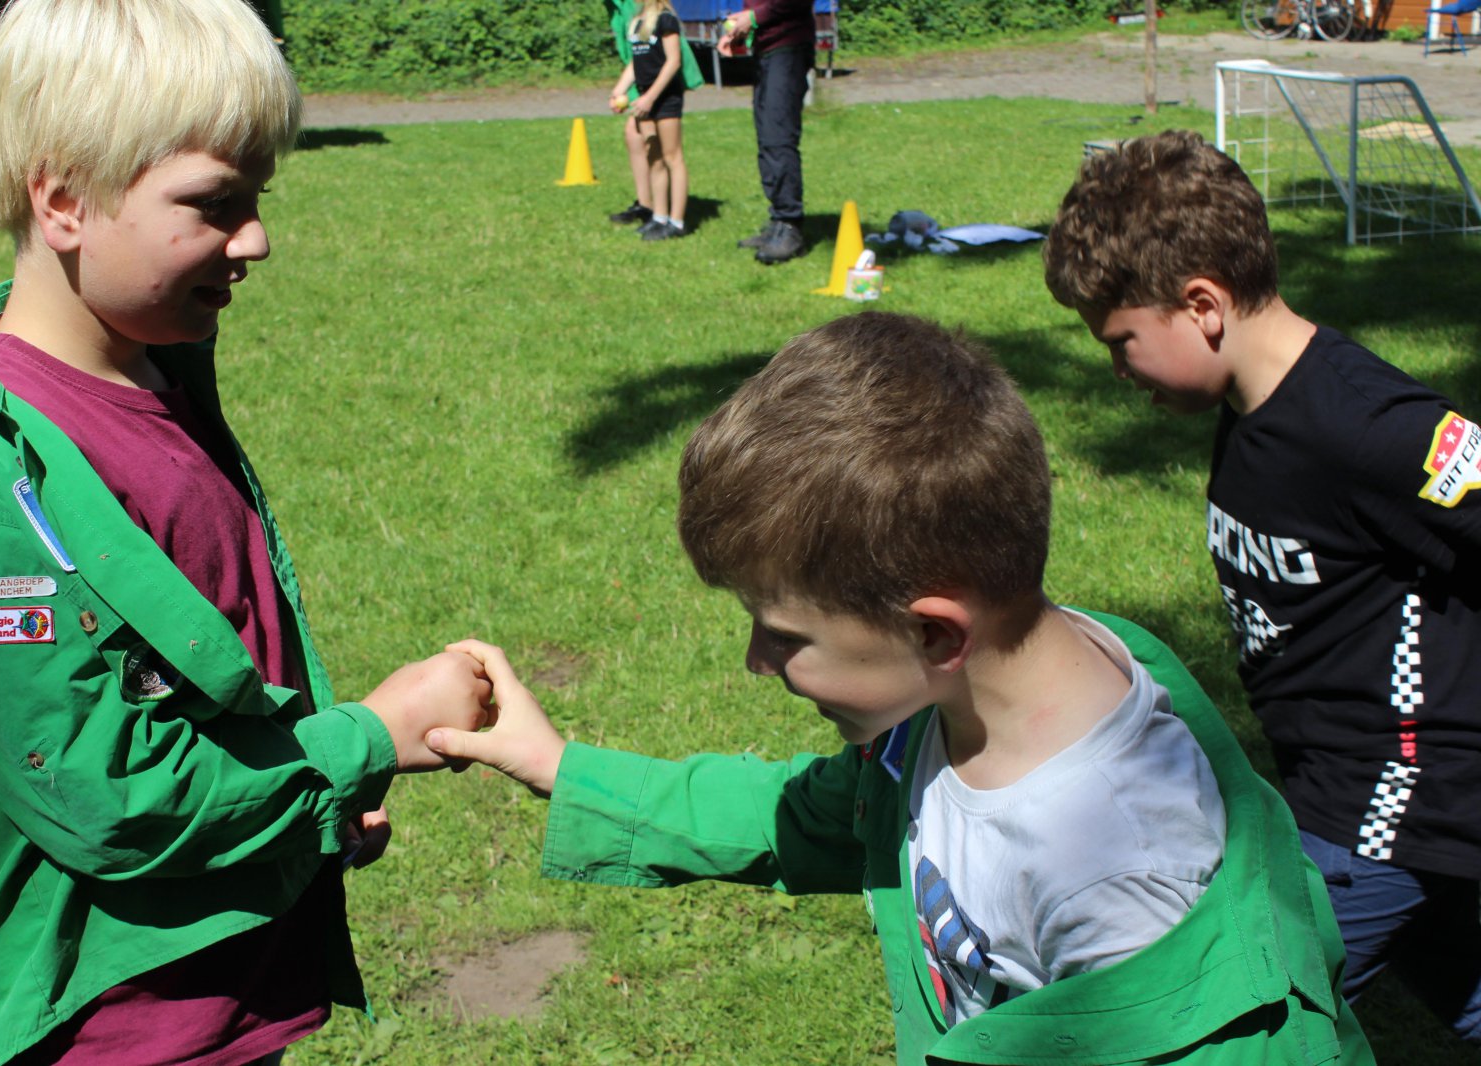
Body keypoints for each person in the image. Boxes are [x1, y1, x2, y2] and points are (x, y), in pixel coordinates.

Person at [426, 312, 1371, 1063]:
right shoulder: (957, 706)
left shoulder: (1120, 881)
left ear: (932, 632)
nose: (758, 662)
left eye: (783, 634)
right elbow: (805, 816)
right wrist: (564, 769)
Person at [0, 1, 494, 1063]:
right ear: (65, 202)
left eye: (255, 198)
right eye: (213, 205)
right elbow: (109, 797)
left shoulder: (152, 374)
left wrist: (306, 798)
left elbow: (192, 681)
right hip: (93, 1029)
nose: (254, 238)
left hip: (217, 998)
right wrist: (364, 740)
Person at [1044, 128, 1481, 1044]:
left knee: (1239, 1022)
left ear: (1202, 305)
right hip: (1339, 793)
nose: (1118, 374)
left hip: (1385, 816)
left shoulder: (1363, 424)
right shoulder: (1252, 408)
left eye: (1123, 343)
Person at [719, 0, 814, 264]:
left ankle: (790, 225)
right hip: (767, 51)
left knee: (778, 138)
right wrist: (740, 32)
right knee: (767, 139)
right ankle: (778, 221)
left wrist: (754, 16)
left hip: (789, 48)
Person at [604, 0, 704, 232]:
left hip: (664, 98)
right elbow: (635, 63)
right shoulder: (636, 21)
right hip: (643, 99)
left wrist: (650, 97)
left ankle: (676, 221)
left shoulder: (665, 19)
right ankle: (658, 218)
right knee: (653, 155)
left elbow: (673, 61)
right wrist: (619, 90)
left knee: (672, 156)